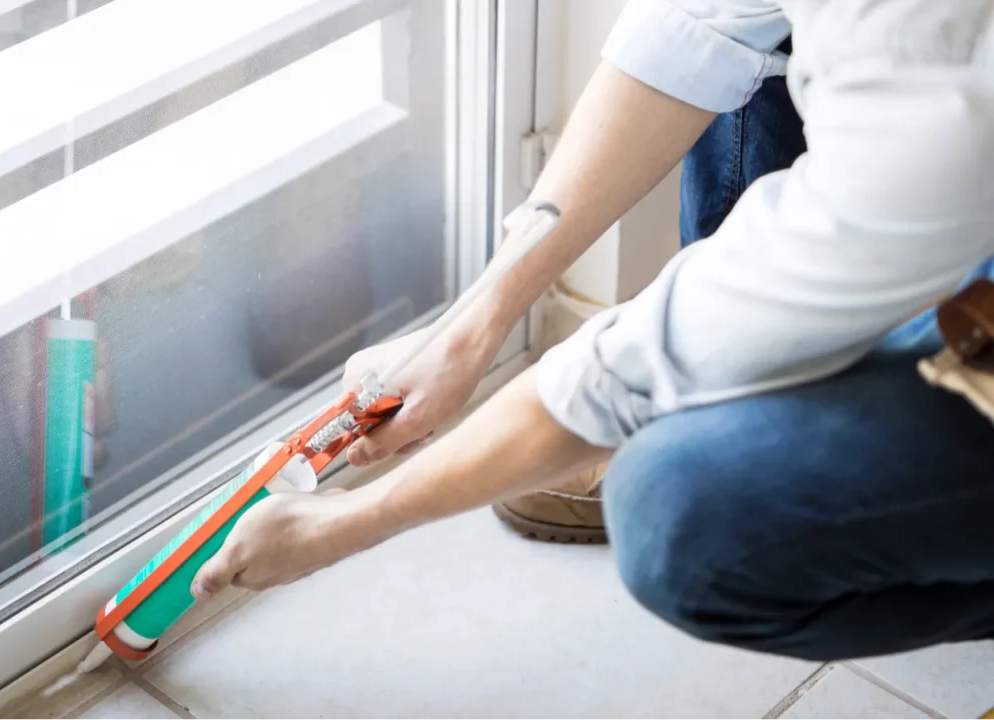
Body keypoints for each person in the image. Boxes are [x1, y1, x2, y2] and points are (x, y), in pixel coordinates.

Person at [192, 0, 994, 662]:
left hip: (944, 162)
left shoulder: (929, 86)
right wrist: (471, 327)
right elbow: (692, 33)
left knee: (680, 512)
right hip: (929, 171)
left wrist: (349, 523)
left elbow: (615, 378)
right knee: (760, 59)